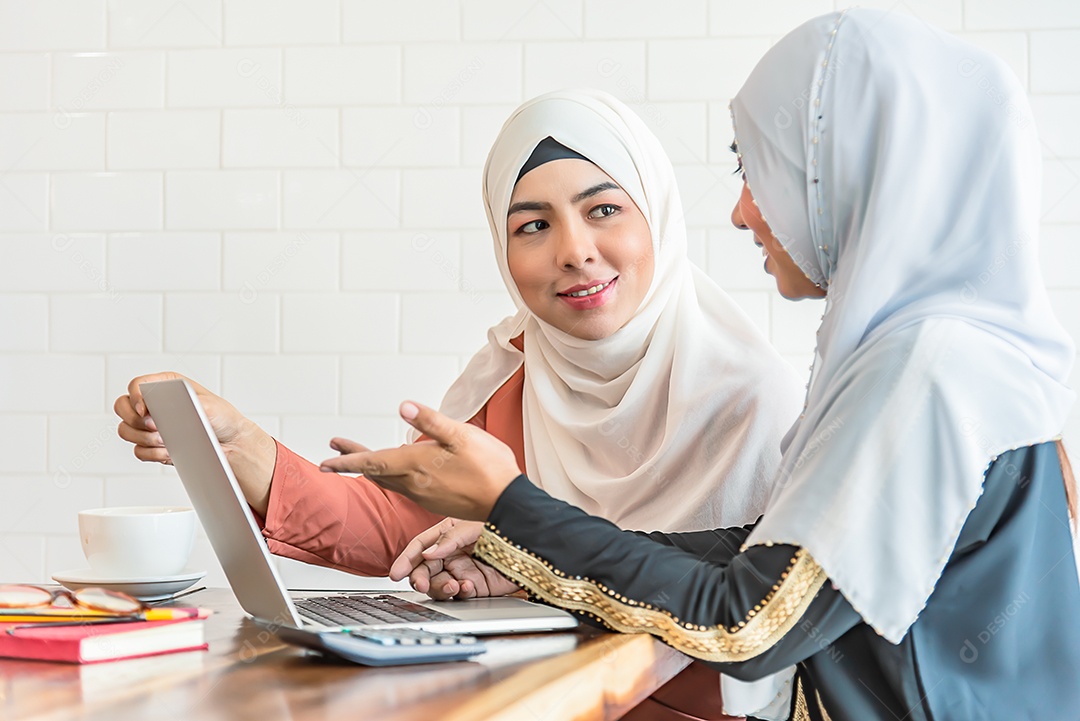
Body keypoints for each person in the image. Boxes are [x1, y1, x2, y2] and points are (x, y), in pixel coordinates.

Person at [322, 10, 1080, 720]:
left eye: (762, 169)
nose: (742, 209)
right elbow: (776, 564)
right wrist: (520, 555)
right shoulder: (939, 352)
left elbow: (747, 623)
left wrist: (511, 505)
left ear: (849, 169)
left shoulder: (924, 373)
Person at [115, 90, 806, 719]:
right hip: (530, 695)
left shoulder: (749, 396)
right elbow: (404, 528)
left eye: (603, 210)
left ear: (657, 214)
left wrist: (527, 567)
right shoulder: (513, 371)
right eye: (532, 225)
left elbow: (752, 617)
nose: (574, 251)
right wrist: (240, 449)